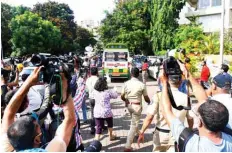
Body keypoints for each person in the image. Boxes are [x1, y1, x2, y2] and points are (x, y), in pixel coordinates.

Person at [161, 61, 232, 152]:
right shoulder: (229, 138)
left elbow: (166, 111)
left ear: (199, 122)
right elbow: (203, 100)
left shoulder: (193, 144)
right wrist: (188, 74)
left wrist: (164, 83)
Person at [1, 67, 76, 152]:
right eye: (37, 126)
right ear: (37, 139)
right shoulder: (54, 149)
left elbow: (9, 112)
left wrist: (29, 83)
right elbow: (69, 120)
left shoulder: (5, 149)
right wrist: (64, 87)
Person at [137, 74, 191, 152]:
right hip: (177, 134)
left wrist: (142, 131)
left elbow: (150, 117)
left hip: (161, 134)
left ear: (167, 81)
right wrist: (190, 130)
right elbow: (190, 118)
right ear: (180, 82)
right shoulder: (186, 98)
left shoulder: (159, 96)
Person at [121, 67, 151, 152]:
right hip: (137, 107)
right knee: (133, 125)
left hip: (129, 106)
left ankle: (139, 133)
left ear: (131, 74)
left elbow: (122, 96)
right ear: (138, 74)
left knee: (134, 121)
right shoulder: (142, 85)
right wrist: (150, 102)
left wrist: (126, 100)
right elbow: (146, 98)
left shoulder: (126, 83)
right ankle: (127, 146)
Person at [86, 67, 99, 134]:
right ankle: (99, 127)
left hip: (91, 98)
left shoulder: (88, 80)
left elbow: (87, 90)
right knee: (98, 113)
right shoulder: (98, 79)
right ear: (97, 72)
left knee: (92, 114)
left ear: (90, 72)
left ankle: (92, 128)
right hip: (97, 98)